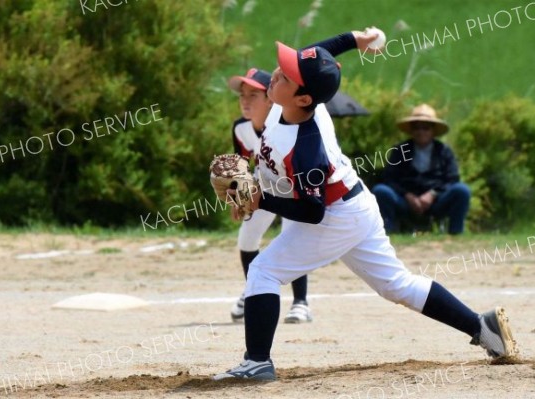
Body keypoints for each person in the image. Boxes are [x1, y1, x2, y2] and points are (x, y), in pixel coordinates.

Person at [213, 30, 516, 381]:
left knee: (263, 270)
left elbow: (313, 212)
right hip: (353, 205)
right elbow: (316, 55)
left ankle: (257, 362)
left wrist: (260, 199)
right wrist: (356, 38)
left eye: (285, 75)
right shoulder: (300, 103)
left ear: (304, 97)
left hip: (335, 215)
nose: (276, 74)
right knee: (396, 284)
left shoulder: (308, 146)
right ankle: (482, 327)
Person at [227, 68, 313, 324]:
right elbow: (242, 166)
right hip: (262, 186)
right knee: (246, 241)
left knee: (292, 239)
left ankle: (301, 302)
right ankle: (254, 290)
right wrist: (236, 191)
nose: (245, 100)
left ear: (270, 98)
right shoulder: (241, 128)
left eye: (253, 94)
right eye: (242, 95)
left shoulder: (283, 123)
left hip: (293, 186)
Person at [372, 105, 470, 234]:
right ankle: (388, 232)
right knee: (380, 191)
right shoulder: (400, 150)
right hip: (405, 201)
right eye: (416, 128)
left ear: (433, 131)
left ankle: (455, 234)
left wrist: (433, 194)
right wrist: (407, 195)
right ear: (411, 130)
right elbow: (389, 178)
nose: (421, 132)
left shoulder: (444, 151)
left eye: (425, 128)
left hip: (436, 202)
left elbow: (452, 179)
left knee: (462, 191)